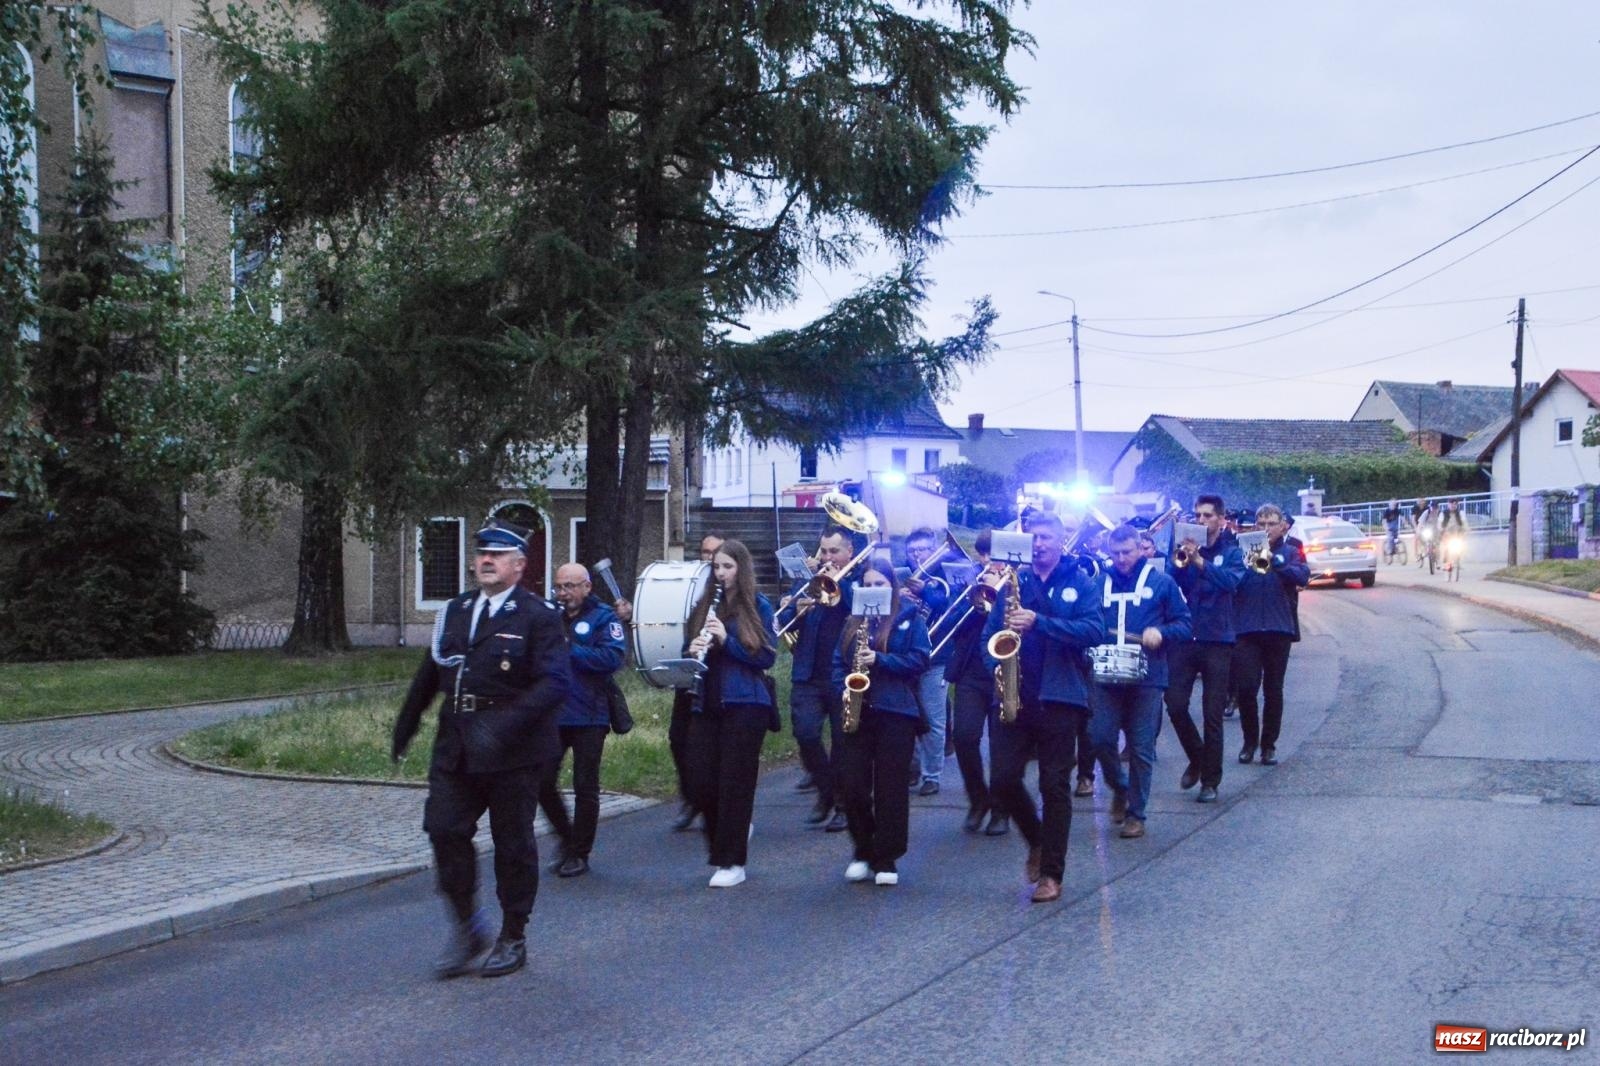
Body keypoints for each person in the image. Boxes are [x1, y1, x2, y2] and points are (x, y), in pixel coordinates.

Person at [391, 520, 571, 979]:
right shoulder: (456, 610)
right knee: (444, 830)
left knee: (513, 843)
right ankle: (468, 926)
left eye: (498, 554)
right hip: (457, 744)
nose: (487, 560)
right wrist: (406, 724)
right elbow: (433, 671)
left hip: (514, 751)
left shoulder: (538, 615)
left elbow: (554, 683)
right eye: (482, 554)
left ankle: (513, 935)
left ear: (519, 565)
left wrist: (505, 725)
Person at [981, 510, 1107, 903]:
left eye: (1046, 538)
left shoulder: (1080, 581)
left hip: (1060, 697)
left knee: (1054, 785)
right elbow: (989, 637)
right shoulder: (1012, 583)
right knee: (1002, 780)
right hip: (1014, 695)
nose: (1038, 545)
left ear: (1060, 540)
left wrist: (1041, 622)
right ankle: (1037, 839)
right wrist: (997, 670)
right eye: (1033, 538)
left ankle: (1051, 873)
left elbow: (1095, 630)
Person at [684, 539, 778, 887]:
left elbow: (766, 657)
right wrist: (693, 648)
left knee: (734, 784)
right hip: (707, 700)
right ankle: (726, 841)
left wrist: (727, 640)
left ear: (741, 569)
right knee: (700, 782)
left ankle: (732, 861)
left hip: (746, 703)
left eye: (728, 567)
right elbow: (688, 648)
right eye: (717, 567)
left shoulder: (759, 605)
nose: (721, 573)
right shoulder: (704, 604)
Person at [1090, 525, 1193, 839]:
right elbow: (1086, 621)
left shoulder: (1162, 583)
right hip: (1105, 675)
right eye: (1116, 553)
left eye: (1127, 552)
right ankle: (1120, 787)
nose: (1121, 559)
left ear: (1140, 549)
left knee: (1140, 746)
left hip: (1147, 677)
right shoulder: (1098, 583)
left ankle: (1136, 813)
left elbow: (1185, 624)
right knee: (1099, 738)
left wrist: (1161, 632)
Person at [833, 558, 932, 886]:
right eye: (868, 585)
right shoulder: (852, 621)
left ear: (892, 587)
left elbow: (920, 659)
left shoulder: (909, 617)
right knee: (852, 785)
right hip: (859, 710)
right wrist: (841, 689)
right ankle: (862, 849)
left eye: (880, 584)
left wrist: (881, 659)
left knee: (891, 787)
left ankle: (886, 856)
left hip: (896, 711)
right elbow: (837, 663)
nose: (873, 589)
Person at [537, 563, 626, 879]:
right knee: (541, 781)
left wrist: (571, 651)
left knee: (585, 786)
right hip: (553, 714)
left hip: (590, 714)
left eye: (570, 586)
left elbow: (613, 658)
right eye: (559, 587)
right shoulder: (550, 617)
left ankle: (580, 853)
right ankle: (567, 837)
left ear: (587, 587)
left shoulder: (603, 617)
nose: (563, 593)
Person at [774, 526, 856, 832]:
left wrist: (839, 582)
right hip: (808, 672)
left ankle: (844, 807)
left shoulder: (860, 579)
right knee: (805, 734)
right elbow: (782, 622)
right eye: (824, 551)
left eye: (835, 551)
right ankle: (826, 790)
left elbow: (861, 611)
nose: (827, 557)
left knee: (843, 745)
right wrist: (794, 608)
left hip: (842, 673)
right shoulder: (807, 580)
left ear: (849, 552)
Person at [1165, 494, 1244, 804]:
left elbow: (1231, 583)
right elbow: (1171, 581)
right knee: (1174, 704)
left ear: (1221, 520)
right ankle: (1198, 757)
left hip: (1217, 639)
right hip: (1187, 637)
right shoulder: (1185, 549)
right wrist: (1182, 558)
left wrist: (1201, 562)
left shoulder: (1232, 551)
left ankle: (1210, 781)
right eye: (1198, 515)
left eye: (1207, 515)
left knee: (1212, 714)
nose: (1201, 520)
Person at [941, 529, 1008, 835]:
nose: (988, 560)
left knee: (1001, 745)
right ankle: (978, 799)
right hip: (971, 671)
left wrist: (999, 598)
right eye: (984, 554)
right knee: (964, 736)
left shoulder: (1017, 583)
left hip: (1005, 670)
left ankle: (1001, 808)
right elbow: (949, 624)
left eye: (994, 554)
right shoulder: (969, 583)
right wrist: (974, 603)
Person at [1233, 504, 1310, 766]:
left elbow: (1302, 576)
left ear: (1282, 526)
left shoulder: (1290, 552)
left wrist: (1276, 563)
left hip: (1278, 628)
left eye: (1271, 524)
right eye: (1261, 524)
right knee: (1246, 689)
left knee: (1273, 690)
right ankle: (1249, 741)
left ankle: (1268, 745)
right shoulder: (1242, 552)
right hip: (1247, 628)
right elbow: (1232, 583)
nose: (1266, 528)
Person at [669, 532, 725, 830]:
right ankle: (692, 798)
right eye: (705, 552)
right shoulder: (690, 591)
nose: (710, 559)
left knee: (709, 747)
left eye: (716, 554)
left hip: (719, 682)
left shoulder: (733, 595)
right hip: (692, 678)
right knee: (678, 739)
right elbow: (682, 639)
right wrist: (690, 650)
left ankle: (714, 804)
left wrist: (723, 640)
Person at [901, 527, 952, 796]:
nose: (917, 555)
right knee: (904, 716)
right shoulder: (901, 576)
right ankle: (910, 768)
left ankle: (932, 775)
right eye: (912, 551)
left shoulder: (945, 576)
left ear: (934, 551)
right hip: (905, 656)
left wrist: (924, 593)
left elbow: (949, 605)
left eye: (922, 549)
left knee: (933, 718)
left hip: (936, 657)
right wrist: (900, 596)